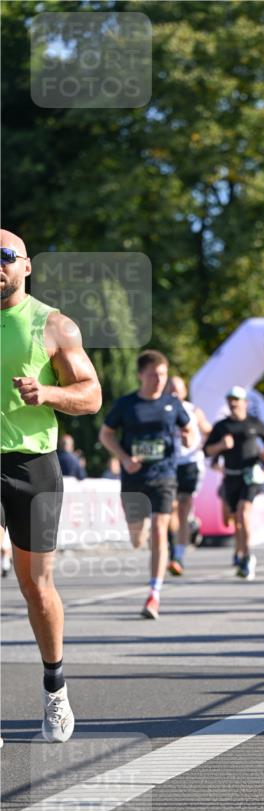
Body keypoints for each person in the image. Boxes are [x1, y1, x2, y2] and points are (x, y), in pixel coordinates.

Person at [0, 229, 102, 743]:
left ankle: (55, 690)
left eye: (3, 256)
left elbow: (91, 395)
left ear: (26, 266)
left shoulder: (52, 324)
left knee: (35, 586)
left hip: (31, 465)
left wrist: (49, 392)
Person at [99, 350, 193, 619]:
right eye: (153, 374)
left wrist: (188, 438)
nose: (159, 379)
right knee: (138, 537)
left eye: (162, 374)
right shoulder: (127, 405)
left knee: (161, 530)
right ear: (141, 375)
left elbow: (190, 430)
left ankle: (154, 593)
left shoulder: (173, 404)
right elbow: (105, 434)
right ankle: (144, 537)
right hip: (133, 478)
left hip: (164, 476)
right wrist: (124, 458)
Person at [204, 386, 264, 581]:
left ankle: (247, 556)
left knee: (244, 513)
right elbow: (207, 451)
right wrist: (220, 446)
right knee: (233, 520)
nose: (233, 403)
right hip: (231, 476)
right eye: (230, 400)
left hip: (250, 476)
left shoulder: (254, 423)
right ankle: (240, 552)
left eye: (237, 400)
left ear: (245, 403)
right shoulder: (221, 426)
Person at [165, 375, 211, 575]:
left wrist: (205, 444)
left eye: (178, 389)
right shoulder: (162, 409)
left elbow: (209, 431)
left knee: (182, 507)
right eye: (171, 388)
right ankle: (175, 546)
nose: (174, 392)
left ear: (184, 391)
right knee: (171, 508)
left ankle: (179, 556)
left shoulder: (194, 411)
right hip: (169, 463)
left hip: (191, 463)